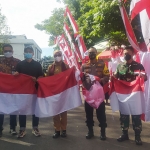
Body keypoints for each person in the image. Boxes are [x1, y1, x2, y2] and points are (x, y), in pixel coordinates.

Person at [114, 46, 147, 145]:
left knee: (136, 115)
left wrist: (143, 76)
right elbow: (116, 77)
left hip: (135, 94)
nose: (126, 55)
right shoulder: (120, 66)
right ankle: (125, 134)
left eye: (128, 53)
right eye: (124, 53)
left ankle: (137, 136)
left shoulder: (139, 66)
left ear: (132, 54)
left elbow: (145, 77)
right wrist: (112, 78)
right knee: (124, 115)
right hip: (124, 95)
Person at [81, 47, 109, 140]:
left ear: (96, 53)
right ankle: (90, 131)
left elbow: (107, 76)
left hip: (99, 94)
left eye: (93, 52)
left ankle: (103, 132)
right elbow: (81, 78)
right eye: (89, 53)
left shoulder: (102, 64)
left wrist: (100, 80)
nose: (91, 54)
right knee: (88, 114)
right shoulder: (84, 66)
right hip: (88, 94)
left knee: (101, 114)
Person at [15, 46, 43, 138]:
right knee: (22, 110)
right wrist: (16, 74)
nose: (28, 53)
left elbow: (41, 77)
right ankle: (22, 129)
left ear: (33, 54)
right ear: (24, 53)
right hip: (23, 92)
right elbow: (16, 75)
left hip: (34, 90)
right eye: (26, 52)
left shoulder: (37, 65)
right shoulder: (20, 64)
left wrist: (37, 79)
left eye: (30, 52)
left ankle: (35, 128)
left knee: (35, 110)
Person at [47, 50, 69, 139]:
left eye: (59, 55)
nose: (57, 56)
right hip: (54, 92)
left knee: (63, 112)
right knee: (55, 112)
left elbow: (70, 77)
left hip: (63, 92)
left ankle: (64, 130)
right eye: (55, 55)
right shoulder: (50, 67)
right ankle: (57, 130)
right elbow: (47, 78)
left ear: (61, 55)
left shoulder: (66, 66)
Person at [0, 44, 20, 137]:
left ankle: (13, 128)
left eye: (9, 50)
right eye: (5, 51)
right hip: (1, 91)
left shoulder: (18, 62)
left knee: (13, 109)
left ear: (12, 51)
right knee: (1, 110)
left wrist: (18, 73)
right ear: (3, 51)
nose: (7, 52)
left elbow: (23, 75)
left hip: (13, 90)